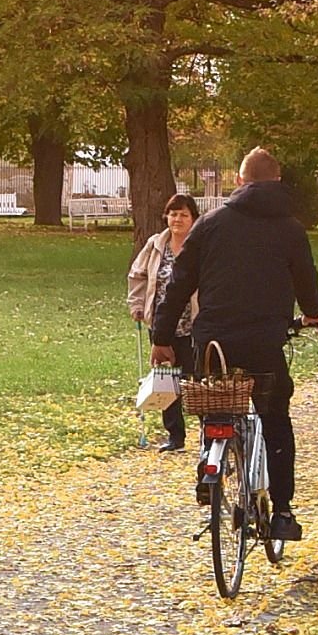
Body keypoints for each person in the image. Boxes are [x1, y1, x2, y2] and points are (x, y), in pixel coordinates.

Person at [149, 147, 318, 542]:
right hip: (264, 343)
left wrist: (162, 336)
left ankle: (210, 460)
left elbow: (178, 284)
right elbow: (306, 281)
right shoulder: (290, 229)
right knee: (275, 420)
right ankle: (281, 511)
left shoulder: (211, 225)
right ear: (278, 182)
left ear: (239, 181)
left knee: (215, 405)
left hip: (214, 342)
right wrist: (312, 312)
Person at [126, 192, 203, 448]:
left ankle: (208, 434)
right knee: (166, 380)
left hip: (194, 324)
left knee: (198, 382)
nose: (177, 219)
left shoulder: (200, 245)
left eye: (183, 214)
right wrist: (137, 305)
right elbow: (138, 275)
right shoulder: (156, 244)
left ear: (193, 218)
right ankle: (175, 436)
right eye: (173, 214)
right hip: (162, 325)